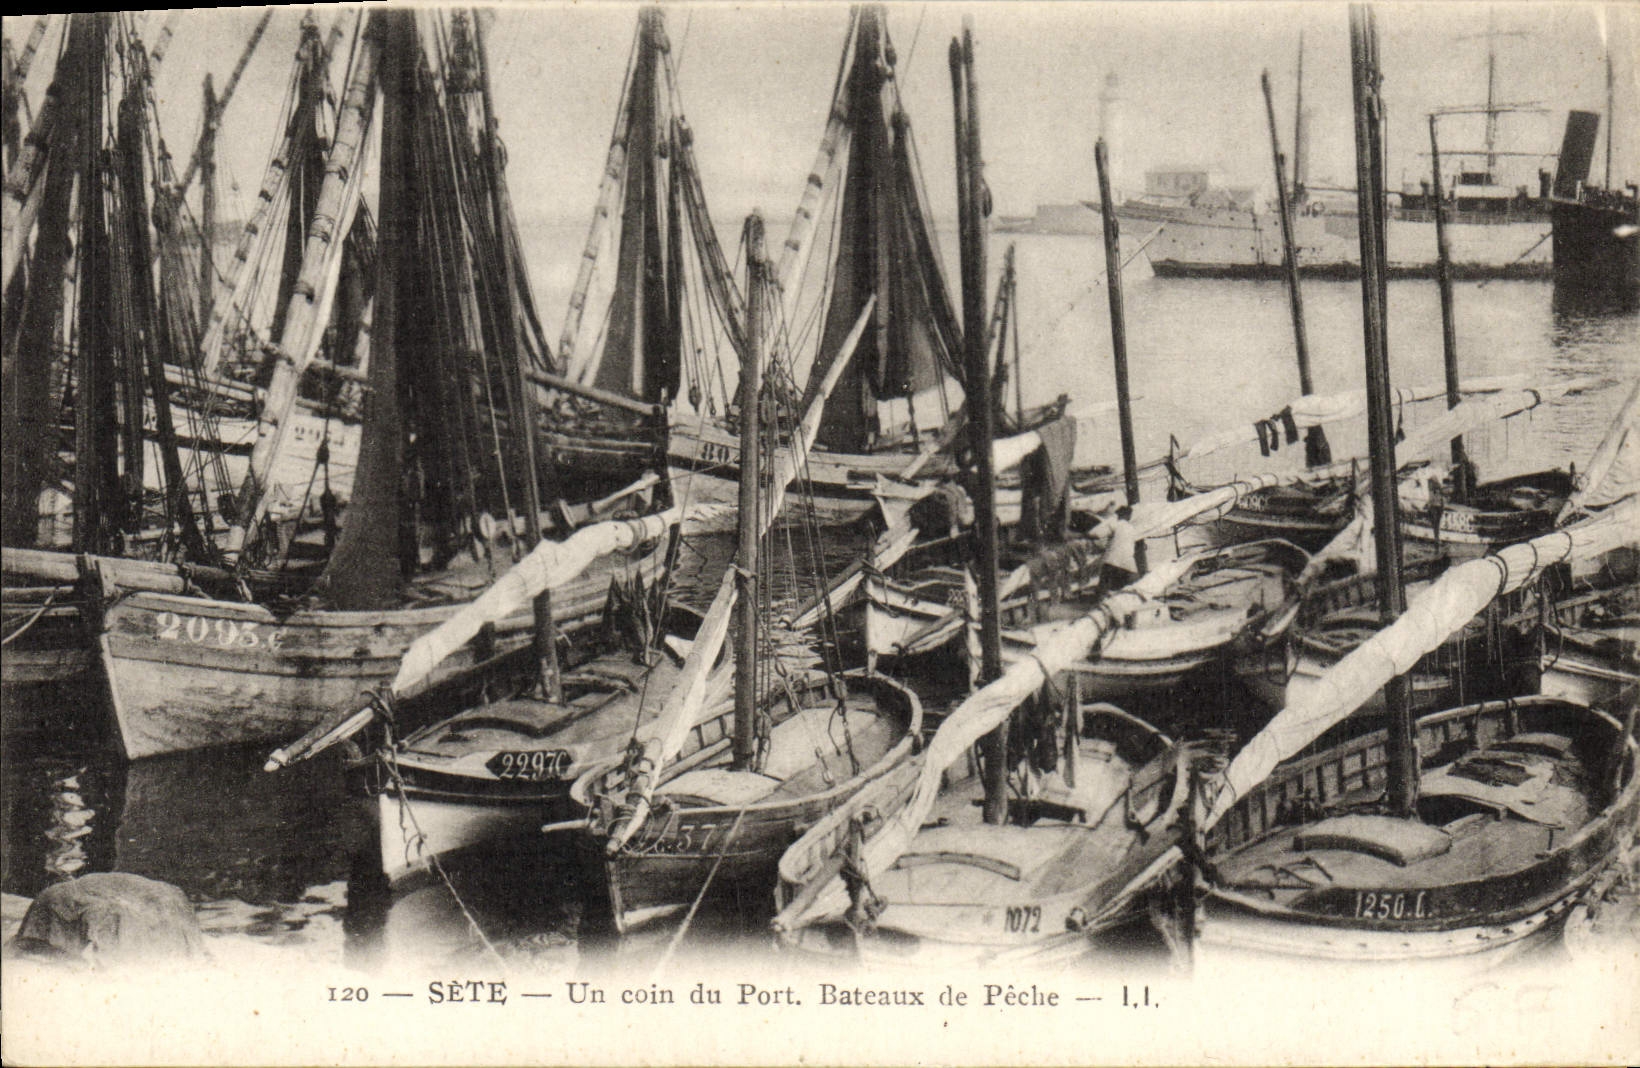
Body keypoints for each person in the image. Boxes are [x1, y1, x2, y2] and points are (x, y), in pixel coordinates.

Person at [1098, 505, 1141, 591]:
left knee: (1103, 590)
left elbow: (1098, 535)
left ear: (1120, 515)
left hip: (1111, 561)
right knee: (1130, 590)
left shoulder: (1115, 524)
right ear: (1129, 516)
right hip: (1128, 565)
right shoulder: (1132, 528)